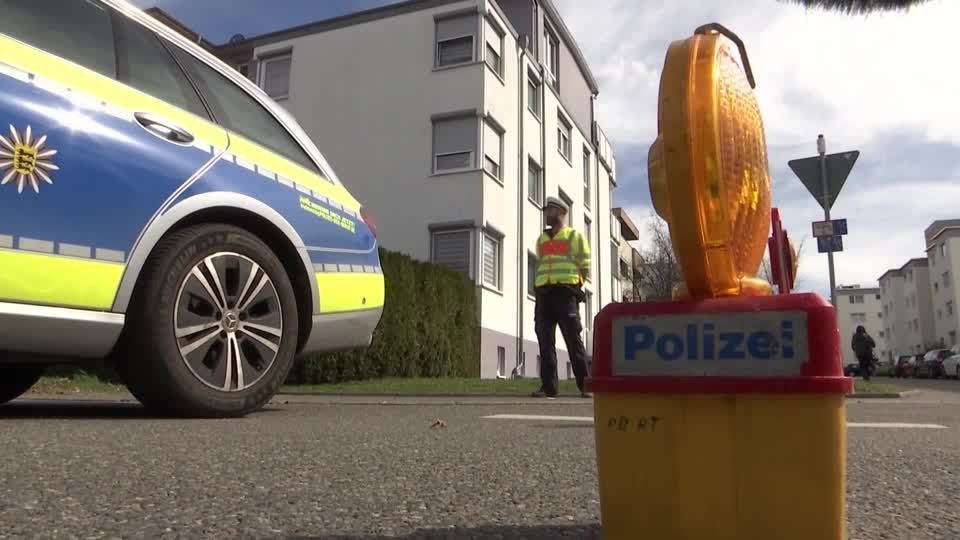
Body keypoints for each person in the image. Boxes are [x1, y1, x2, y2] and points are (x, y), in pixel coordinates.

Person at [531, 197, 592, 398]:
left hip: (565, 294)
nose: (545, 214)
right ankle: (549, 387)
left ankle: (585, 386)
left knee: (573, 340)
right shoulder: (542, 239)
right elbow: (540, 265)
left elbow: (585, 265)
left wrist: (574, 285)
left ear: (559, 212)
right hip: (544, 295)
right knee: (544, 340)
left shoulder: (574, 236)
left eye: (548, 210)